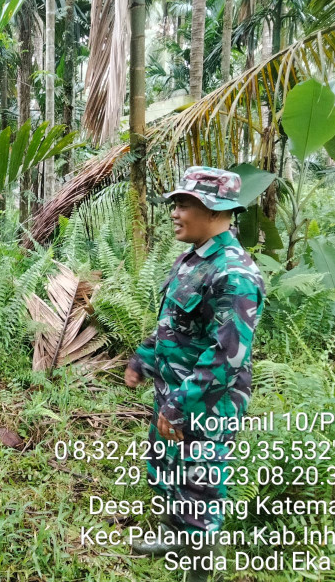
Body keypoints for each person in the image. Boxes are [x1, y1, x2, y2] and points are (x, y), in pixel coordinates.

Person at [125, 167, 265, 582]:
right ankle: (172, 537)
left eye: (184, 205)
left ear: (212, 209)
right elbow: (172, 321)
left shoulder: (234, 274)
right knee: (167, 469)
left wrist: (181, 406)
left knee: (199, 487)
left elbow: (227, 356)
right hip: (174, 394)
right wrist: (142, 359)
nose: (175, 213)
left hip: (205, 404)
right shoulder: (193, 257)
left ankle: (202, 573)